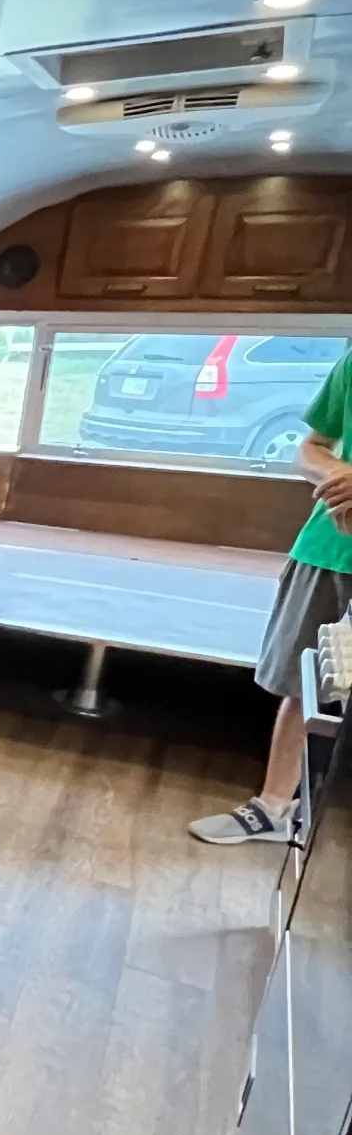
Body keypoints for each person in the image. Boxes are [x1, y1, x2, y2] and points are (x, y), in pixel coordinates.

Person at [190, 343, 352, 843]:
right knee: (302, 681)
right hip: (328, 548)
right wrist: (338, 474)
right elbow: (311, 446)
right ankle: (273, 807)